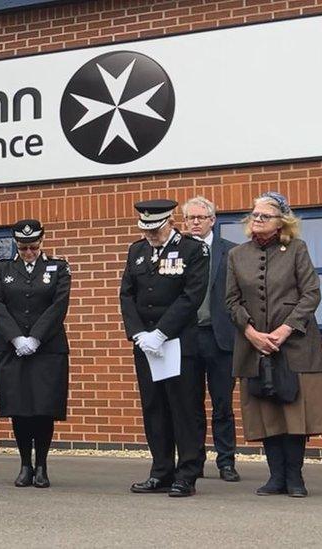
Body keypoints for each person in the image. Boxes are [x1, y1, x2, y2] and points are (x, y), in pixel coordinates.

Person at [225, 191, 322, 498]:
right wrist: (251, 333)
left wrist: (284, 330)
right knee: (266, 411)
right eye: (253, 215)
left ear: (281, 222)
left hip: (295, 346)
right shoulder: (236, 255)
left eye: (264, 215)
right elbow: (231, 301)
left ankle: (295, 477)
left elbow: (311, 294)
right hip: (253, 346)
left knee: (293, 411)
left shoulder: (296, 249)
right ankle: (275, 476)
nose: (256, 220)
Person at [120, 199, 209, 498]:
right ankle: (161, 472)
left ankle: (187, 474)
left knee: (184, 408)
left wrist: (161, 332)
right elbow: (127, 295)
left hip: (178, 343)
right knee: (154, 408)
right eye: (146, 230)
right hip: (146, 344)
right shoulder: (137, 250)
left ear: (170, 222)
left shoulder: (193, 250)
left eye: (155, 230)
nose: (150, 235)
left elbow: (191, 296)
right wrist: (138, 333)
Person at [0, 219, 71, 488]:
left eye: (33, 247)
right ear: (16, 245)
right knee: (20, 408)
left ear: (42, 242)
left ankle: (42, 466)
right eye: (23, 248)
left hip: (47, 349)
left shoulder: (58, 268)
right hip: (12, 349)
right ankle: (25, 464)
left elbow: (58, 305)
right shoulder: (2, 269)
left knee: (43, 409)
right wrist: (16, 337)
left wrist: (35, 337)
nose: (28, 253)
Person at [181, 197, 240, 482]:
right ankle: (194, 460)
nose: (195, 222)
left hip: (221, 338)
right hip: (187, 338)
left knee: (222, 405)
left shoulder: (232, 252)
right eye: (190, 218)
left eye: (200, 218)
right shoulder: (176, 253)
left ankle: (226, 461)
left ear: (212, 220)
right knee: (190, 405)